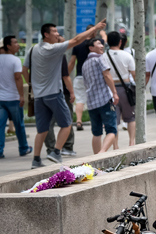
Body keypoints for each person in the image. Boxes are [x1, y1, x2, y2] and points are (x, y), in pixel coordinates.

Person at [25, 21, 105, 168]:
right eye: (54, 31)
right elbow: (76, 40)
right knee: (67, 124)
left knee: (42, 130)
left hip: (39, 96)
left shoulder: (32, 50)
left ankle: (36, 160)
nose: (57, 34)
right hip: (54, 94)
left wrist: (33, 84)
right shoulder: (53, 49)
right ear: (46, 34)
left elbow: (25, 70)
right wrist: (96, 28)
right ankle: (56, 152)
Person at [81, 37, 119, 154]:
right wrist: (114, 93)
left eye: (102, 44)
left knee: (96, 132)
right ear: (91, 48)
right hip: (104, 99)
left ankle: (95, 158)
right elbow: (107, 75)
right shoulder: (100, 58)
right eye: (98, 44)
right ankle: (102, 153)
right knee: (112, 130)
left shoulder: (85, 64)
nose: (102, 46)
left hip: (92, 103)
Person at [0, 35, 30, 158]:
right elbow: (18, 78)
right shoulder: (15, 60)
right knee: (19, 125)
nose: (17, 45)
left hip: (1, 99)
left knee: (1, 126)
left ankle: (0, 150)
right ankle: (23, 148)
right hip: (13, 98)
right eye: (15, 43)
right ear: (8, 46)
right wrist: (21, 96)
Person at [106, 31, 137, 147]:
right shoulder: (127, 56)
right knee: (130, 117)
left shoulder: (104, 56)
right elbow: (134, 75)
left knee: (114, 120)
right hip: (126, 90)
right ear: (120, 42)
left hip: (110, 90)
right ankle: (131, 142)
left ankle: (116, 146)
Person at [67, 23, 94, 130]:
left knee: (80, 100)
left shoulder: (77, 45)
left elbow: (72, 61)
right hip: (92, 77)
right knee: (94, 99)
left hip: (79, 76)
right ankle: (96, 121)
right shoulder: (96, 44)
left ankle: (78, 121)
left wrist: (66, 75)